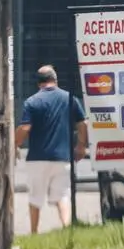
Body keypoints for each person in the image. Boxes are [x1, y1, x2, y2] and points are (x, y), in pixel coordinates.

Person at [14, 65, 87, 233]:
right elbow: (82, 124)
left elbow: (25, 128)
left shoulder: (32, 101)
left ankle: (34, 233)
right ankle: (67, 228)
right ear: (55, 80)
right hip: (63, 158)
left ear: (38, 83)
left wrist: (14, 143)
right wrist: (81, 146)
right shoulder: (70, 98)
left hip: (37, 159)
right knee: (62, 195)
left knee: (35, 198)